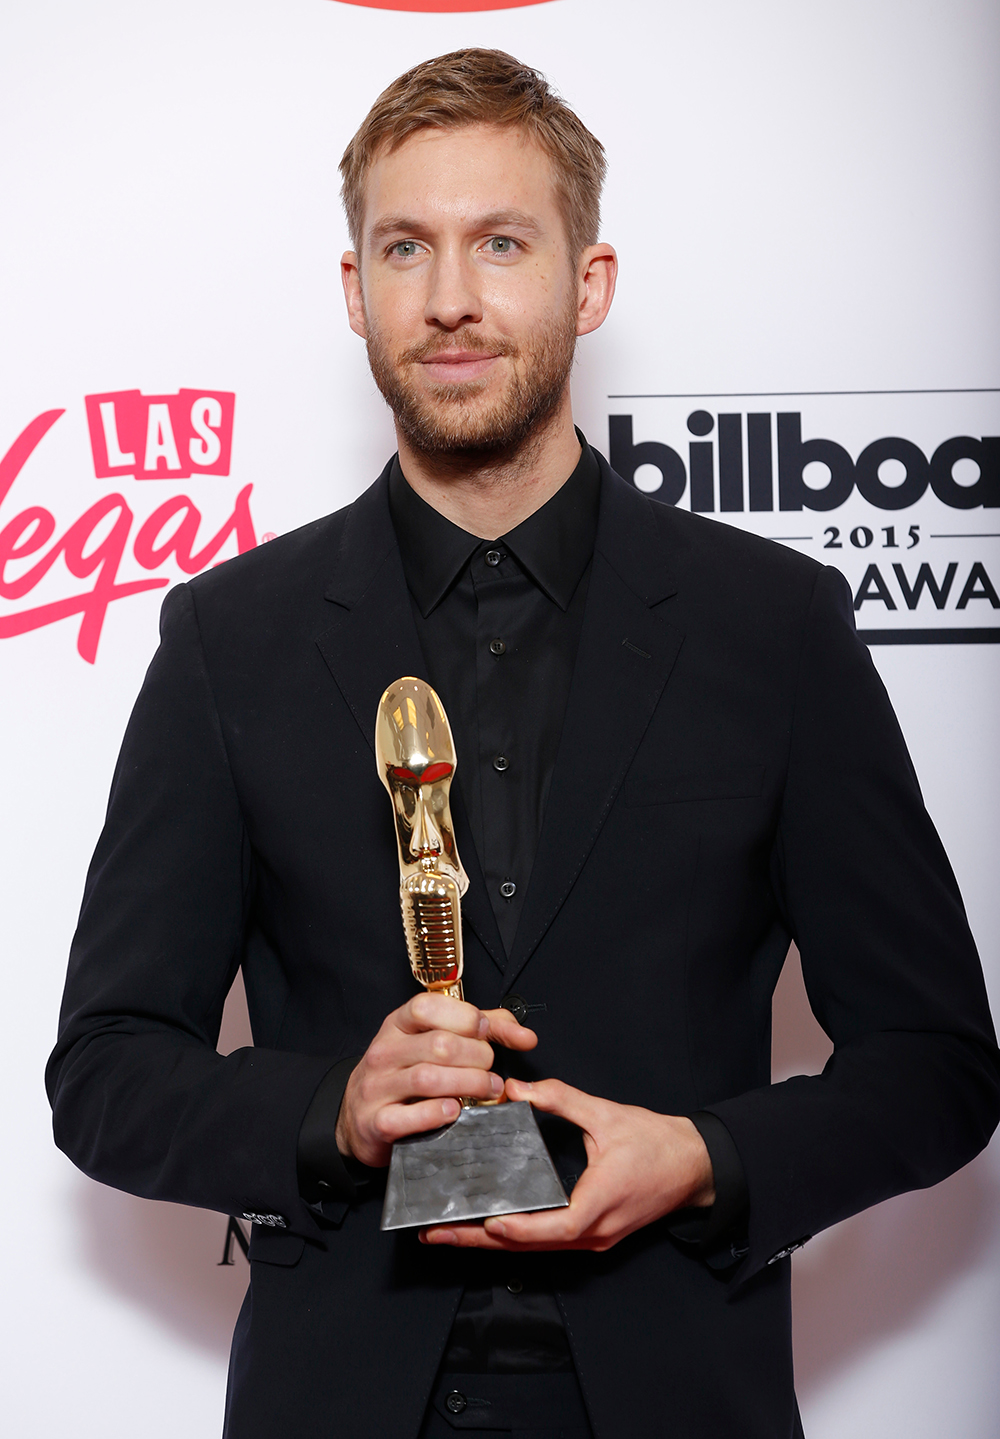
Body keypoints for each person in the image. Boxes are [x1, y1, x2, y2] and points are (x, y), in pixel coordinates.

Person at [47, 49, 999, 1439]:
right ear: (354, 288)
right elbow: (108, 1071)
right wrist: (334, 1110)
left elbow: (938, 1062)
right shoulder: (227, 639)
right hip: (339, 1398)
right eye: (405, 248)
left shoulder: (771, 624)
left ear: (588, 281)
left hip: (684, 1394)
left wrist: (705, 1156)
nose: (449, 298)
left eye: (501, 243)